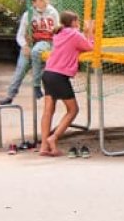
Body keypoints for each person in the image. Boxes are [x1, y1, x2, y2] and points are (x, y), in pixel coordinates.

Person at [39, 11, 94, 157]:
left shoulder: (59, 33)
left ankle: (44, 146)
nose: (80, 23)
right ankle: (53, 138)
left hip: (48, 73)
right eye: (78, 21)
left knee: (48, 111)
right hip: (59, 76)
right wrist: (90, 33)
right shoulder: (75, 34)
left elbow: (73, 44)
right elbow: (90, 47)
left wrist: (84, 32)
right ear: (74, 22)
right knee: (73, 110)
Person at [0, 0, 60, 105]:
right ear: (34, 2)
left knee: (39, 53)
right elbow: (20, 35)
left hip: (46, 43)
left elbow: (57, 31)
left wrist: (55, 48)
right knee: (21, 69)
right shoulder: (28, 15)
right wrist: (24, 46)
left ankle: (38, 86)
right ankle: (10, 95)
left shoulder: (53, 12)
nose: (45, 2)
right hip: (31, 45)